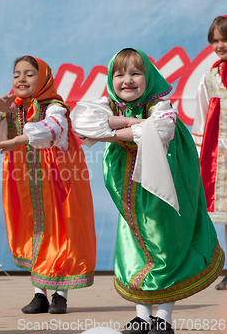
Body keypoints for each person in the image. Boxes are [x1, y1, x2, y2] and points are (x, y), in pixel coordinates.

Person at [72, 48, 225, 334]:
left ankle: (163, 318)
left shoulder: (161, 106)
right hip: (128, 198)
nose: (126, 80)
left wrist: (113, 131)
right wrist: (131, 123)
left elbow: (159, 131)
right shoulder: (110, 106)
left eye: (135, 73)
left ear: (149, 77)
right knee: (134, 251)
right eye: (119, 74)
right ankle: (142, 317)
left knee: (167, 249)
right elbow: (84, 123)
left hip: (162, 193)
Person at [0, 56, 96, 315]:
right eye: (16, 74)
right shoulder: (10, 105)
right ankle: (39, 294)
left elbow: (51, 130)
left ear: (44, 78)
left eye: (29, 74)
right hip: (23, 181)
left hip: (57, 180)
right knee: (32, 231)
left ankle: (60, 295)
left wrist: (18, 141)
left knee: (61, 233)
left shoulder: (54, 106)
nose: (21, 79)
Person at [191, 15, 227, 290]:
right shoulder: (210, 77)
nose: (219, 45)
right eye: (215, 40)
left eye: (224, 39)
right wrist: (197, 150)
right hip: (222, 156)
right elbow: (203, 117)